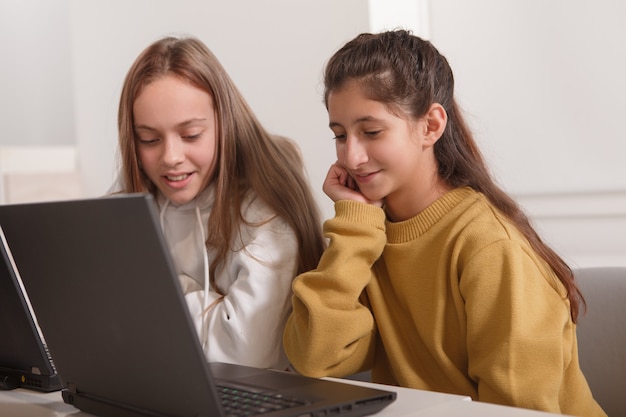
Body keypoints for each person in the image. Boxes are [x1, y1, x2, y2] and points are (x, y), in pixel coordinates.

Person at [283, 30, 606, 416]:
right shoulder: (369, 233)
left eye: (371, 132)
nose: (351, 156)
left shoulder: (490, 246)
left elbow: (519, 410)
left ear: (431, 126)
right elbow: (316, 358)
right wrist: (355, 230)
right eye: (340, 135)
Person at [113, 35, 325, 371]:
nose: (170, 157)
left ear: (224, 124)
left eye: (191, 135)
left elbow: (244, 355)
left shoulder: (265, 210)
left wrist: (153, 291)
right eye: (149, 139)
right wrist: (208, 302)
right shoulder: (136, 191)